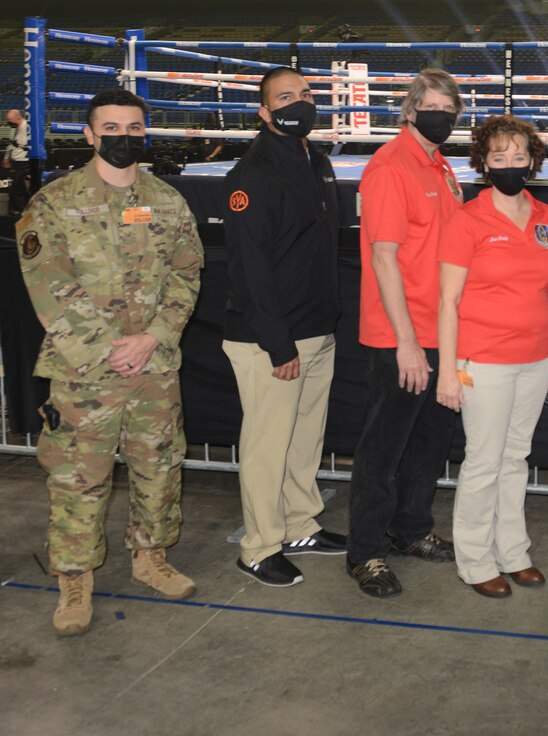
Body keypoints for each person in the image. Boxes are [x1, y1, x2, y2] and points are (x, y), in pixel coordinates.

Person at [16, 89, 203, 635]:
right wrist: (107, 349)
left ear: (145, 133)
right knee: (79, 480)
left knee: (160, 467)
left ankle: (151, 557)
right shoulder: (53, 203)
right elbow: (48, 283)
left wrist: (153, 336)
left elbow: (187, 275)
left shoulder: (168, 202)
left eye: (134, 128)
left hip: (154, 366)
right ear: (90, 135)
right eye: (112, 128)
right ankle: (74, 581)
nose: (124, 137)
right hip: (82, 374)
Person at [223, 67, 344, 587]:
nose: (300, 103)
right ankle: (259, 546)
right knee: (268, 446)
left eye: (306, 93)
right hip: (272, 339)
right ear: (264, 112)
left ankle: (298, 525)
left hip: (316, 328)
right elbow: (250, 269)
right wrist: (277, 344)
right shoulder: (252, 175)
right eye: (286, 97)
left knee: (303, 440)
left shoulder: (315, 161)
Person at [348, 68, 465, 598]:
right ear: (412, 110)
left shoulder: (440, 167)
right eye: (432, 106)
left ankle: (411, 529)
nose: (441, 115)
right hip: (403, 335)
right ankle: (366, 553)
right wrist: (407, 342)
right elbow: (383, 258)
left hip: (441, 329)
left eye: (450, 108)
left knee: (430, 443)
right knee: (383, 449)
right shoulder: (392, 166)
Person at [436, 115, 548, 598]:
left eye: (518, 156)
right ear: (483, 164)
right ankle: (474, 560)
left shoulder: (546, 216)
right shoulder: (467, 220)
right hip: (482, 361)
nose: (510, 164)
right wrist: (448, 370)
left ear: (531, 160)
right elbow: (447, 301)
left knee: (516, 458)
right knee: (485, 462)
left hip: (534, 357)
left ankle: (514, 553)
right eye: (499, 157)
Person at [4, 108, 30, 215]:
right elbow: (11, 145)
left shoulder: (27, 127)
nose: (9, 123)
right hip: (15, 161)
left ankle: (23, 211)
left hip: (25, 161)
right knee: (18, 187)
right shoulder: (14, 129)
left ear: (18, 118)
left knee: (15, 188)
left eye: (10, 121)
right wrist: (6, 158)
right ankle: (13, 210)